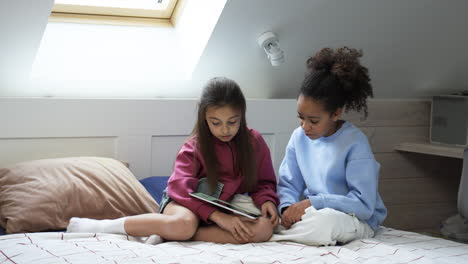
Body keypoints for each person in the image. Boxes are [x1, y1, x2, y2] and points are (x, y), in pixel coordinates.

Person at [67, 77, 279, 244]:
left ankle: (172, 233)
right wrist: (218, 217)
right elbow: (180, 188)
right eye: (216, 123)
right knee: (183, 225)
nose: (225, 130)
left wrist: (267, 201)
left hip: (224, 206)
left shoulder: (254, 142)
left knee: (264, 229)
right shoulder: (194, 146)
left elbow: (264, 182)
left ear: (242, 116)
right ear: (204, 119)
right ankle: (104, 226)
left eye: (232, 122)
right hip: (185, 202)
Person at [272, 47, 387, 246]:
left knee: (323, 223)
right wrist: (287, 209)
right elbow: (288, 185)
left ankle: (276, 236)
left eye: (313, 121)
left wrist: (314, 202)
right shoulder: (298, 138)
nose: (305, 127)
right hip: (315, 212)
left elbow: (363, 205)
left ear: (336, 113)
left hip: (354, 219)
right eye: (301, 117)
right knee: (265, 212)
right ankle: (285, 231)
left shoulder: (355, 143)